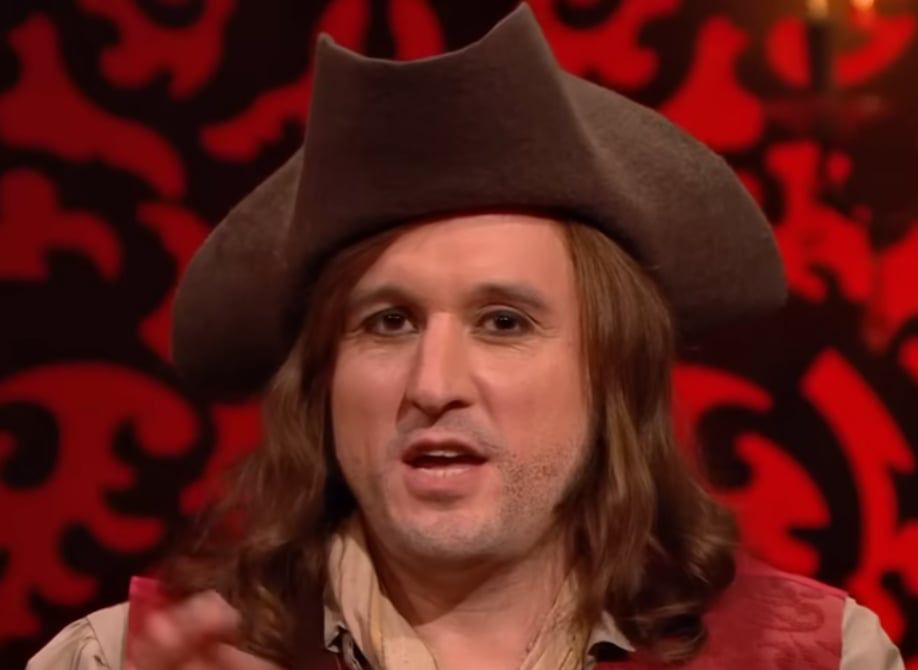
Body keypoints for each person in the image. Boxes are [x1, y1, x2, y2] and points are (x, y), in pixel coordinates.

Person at [28, 5, 903, 669]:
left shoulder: (818, 654)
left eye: (504, 322)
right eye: (388, 322)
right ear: (324, 382)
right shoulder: (114, 660)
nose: (433, 380)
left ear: (611, 375)